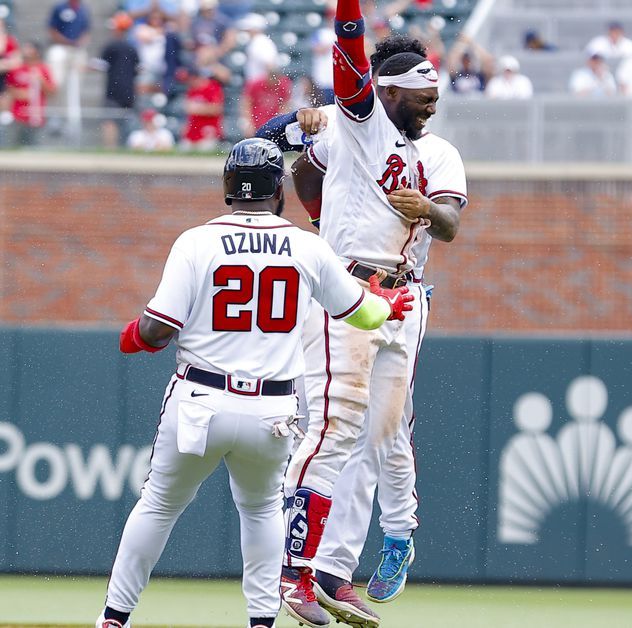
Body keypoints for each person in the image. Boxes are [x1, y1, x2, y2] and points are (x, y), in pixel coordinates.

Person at [94, 137, 414, 628]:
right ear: (277, 191)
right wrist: (387, 305)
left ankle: (114, 618)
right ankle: (261, 622)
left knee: (157, 507)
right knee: (263, 513)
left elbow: (157, 330)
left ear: (228, 189)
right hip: (272, 412)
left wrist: (133, 336)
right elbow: (364, 314)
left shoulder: (196, 241)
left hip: (201, 400)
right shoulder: (308, 246)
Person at [274, 4, 468, 626]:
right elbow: (286, 137)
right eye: (422, 94)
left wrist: (425, 210)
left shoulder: (425, 152)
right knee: (332, 433)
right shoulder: (354, 117)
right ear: (387, 91)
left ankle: (355, 555)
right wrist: (302, 130)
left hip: (400, 294)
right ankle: (300, 571)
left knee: (374, 433)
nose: (432, 104)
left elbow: (449, 223)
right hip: (345, 288)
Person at [94, 12, 140, 149]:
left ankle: (110, 149)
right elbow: (139, 68)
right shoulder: (132, 48)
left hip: (113, 90)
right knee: (126, 121)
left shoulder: (111, 46)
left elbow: (100, 65)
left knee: (110, 121)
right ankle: (125, 148)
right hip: (129, 91)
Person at [5, 42, 56, 147]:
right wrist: (23, 94)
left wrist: (41, 81)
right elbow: (9, 88)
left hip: (36, 116)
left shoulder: (43, 69)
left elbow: (51, 91)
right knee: (14, 147)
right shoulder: (17, 69)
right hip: (17, 116)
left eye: (29, 48)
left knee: (33, 148)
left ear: (36, 52)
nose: (25, 51)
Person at [46, 0, 90, 111]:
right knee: (56, 81)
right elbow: (52, 29)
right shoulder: (60, 7)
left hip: (77, 49)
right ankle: (55, 110)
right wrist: (66, 41)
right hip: (60, 47)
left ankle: (73, 113)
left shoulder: (83, 9)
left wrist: (79, 42)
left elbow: (87, 31)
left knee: (76, 84)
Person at [178, 66, 223, 151]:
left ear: (195, 77)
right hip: (193, 132)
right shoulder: (191, 90)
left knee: (205, 149)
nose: (188, 82)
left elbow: (216, 109)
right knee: (183, 149)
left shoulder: (212, 87)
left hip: (208, 131)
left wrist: (198, 108)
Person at [242, 66, 293, 136]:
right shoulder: (256, 84)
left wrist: (280, 123)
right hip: (256, 124)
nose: (272, 81)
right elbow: (246, 103)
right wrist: (248, 122)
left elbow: (285, 105)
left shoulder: (283, 86)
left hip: (272, 125)